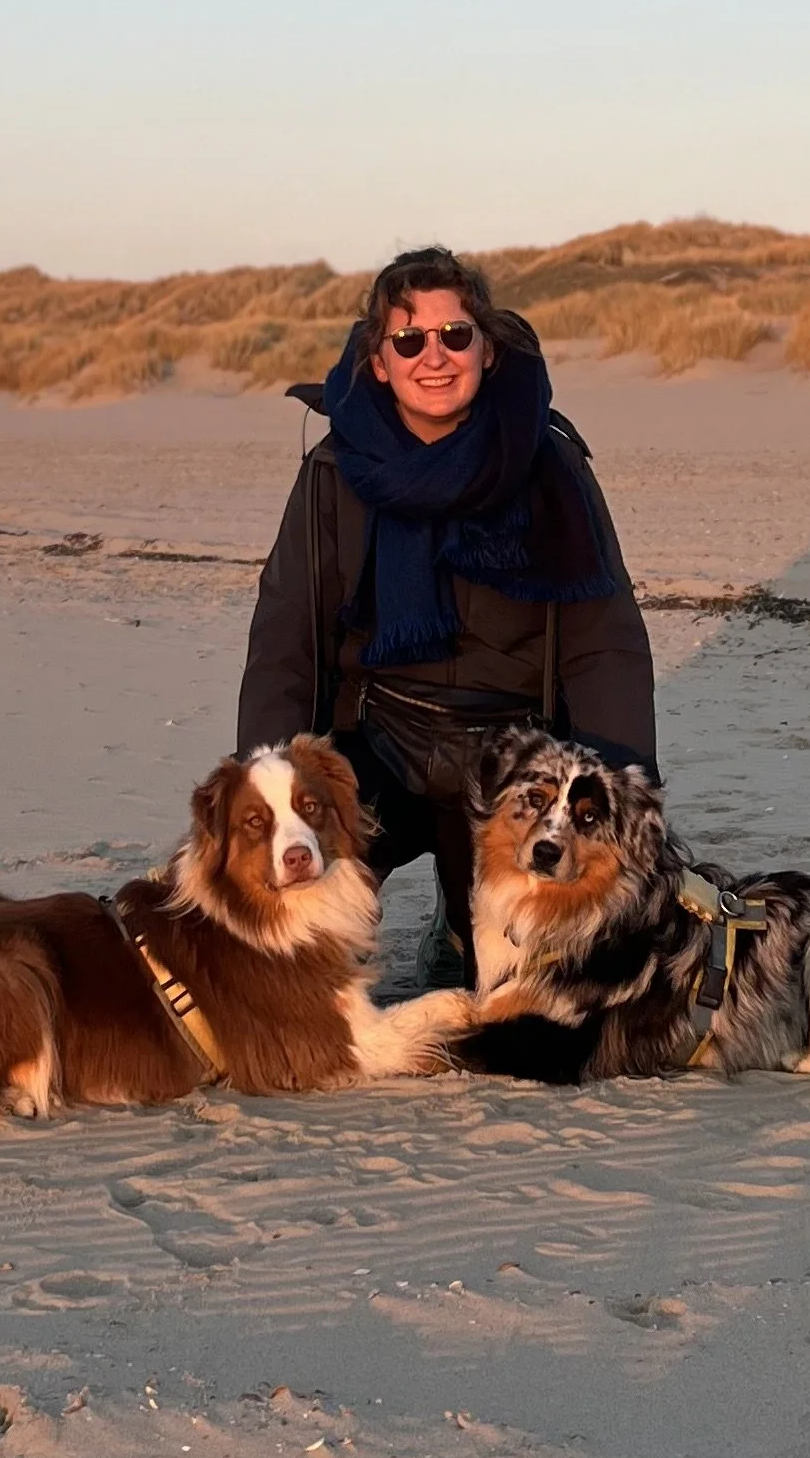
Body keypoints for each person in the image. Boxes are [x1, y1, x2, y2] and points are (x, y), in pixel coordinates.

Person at [237, 245, 657, 975]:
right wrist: (266, 787)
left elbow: (604, 643)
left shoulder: (549, 464)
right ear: (379, 361)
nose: (434, 355)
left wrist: (627, 791)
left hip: (511, 757)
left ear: (487, 348)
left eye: (455, 334)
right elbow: (285, 641)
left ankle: (459, 924)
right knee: (293, 945)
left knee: (503, 976)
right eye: (409, 339)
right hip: (375, 739)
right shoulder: (335, 472)